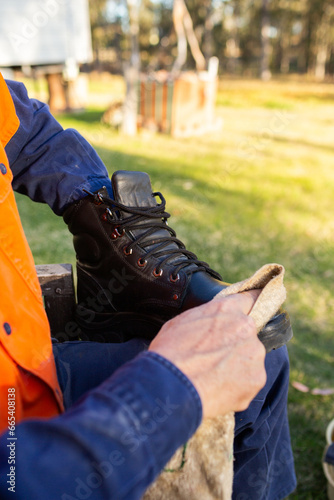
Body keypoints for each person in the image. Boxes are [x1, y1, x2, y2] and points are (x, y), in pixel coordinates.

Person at [0, 74, 296, 499]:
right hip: (17, 450)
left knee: (260, 355)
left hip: (23, 371)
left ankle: (115, 295)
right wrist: (172, 389)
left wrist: (101, 211)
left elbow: (28, 133)